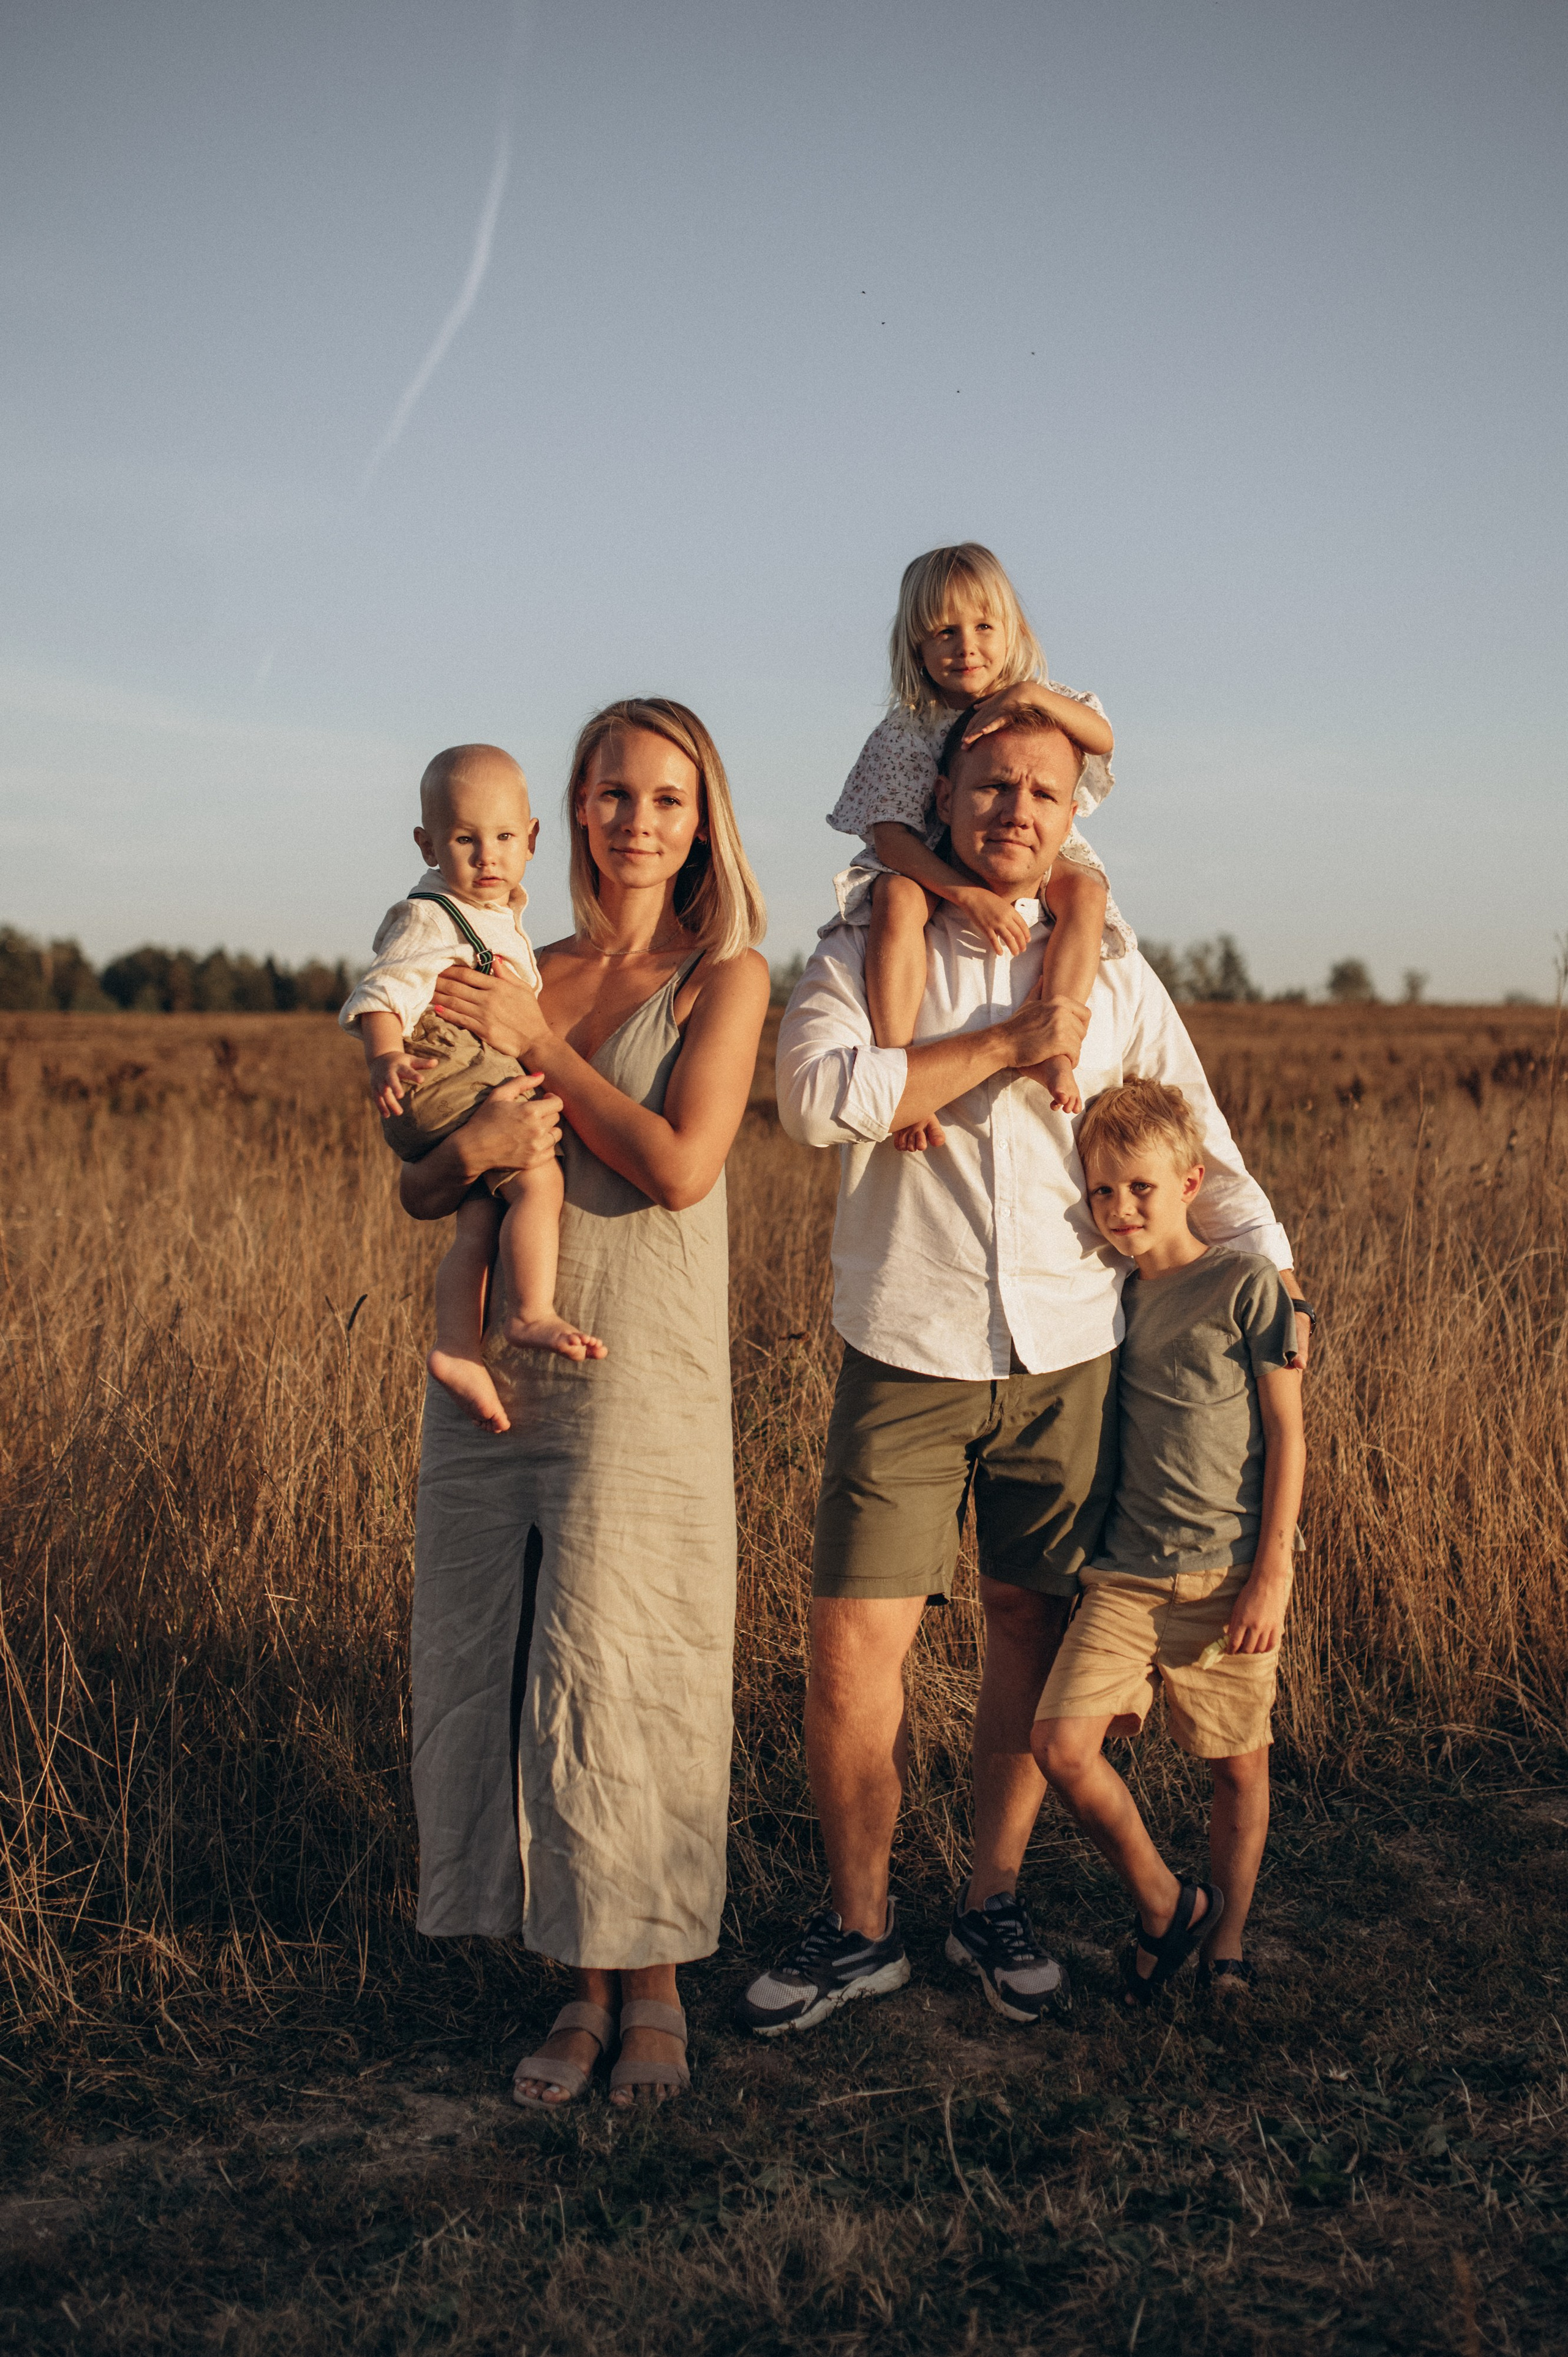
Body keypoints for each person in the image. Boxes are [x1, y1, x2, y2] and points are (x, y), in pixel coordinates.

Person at [737, 704, 1311, 2038]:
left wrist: (1271, 1270)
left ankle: (990, 1902)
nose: (1015, 809)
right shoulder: (863, 944)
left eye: (1043, 792)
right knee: (850, 1652)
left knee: (1026, 1629)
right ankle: (858, 1926)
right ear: (941, 796)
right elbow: (814, 1100)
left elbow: (1200, 1138)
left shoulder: (1111, 969)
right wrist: (1004, 1041)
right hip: (907, 1342)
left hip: (1072, 1352)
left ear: (1072, 816)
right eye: (991, 784)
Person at [398, 698, 769, 2107]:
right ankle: (575, 1980)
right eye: (614, 794)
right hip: (499, 1365)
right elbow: (421, 1177)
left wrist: (539, 1054)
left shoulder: (724, 976)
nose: (637, 822)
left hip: (638, 1361)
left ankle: (653, 1982)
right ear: (575, 808)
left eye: (667, 798)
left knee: (626, 1661)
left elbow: (679, 1165)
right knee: (508, 1664)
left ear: (701, 820)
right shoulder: (511, 966)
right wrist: (475, 1140)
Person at [1033, 1079, 1308, 2004]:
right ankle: (1167, 1903)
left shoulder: (1246, 1284)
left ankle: (1224, 1948)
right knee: (1061, 1745)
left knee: (1240, 1763)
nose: (1120, 1209)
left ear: (1191, 1184)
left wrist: (1272, 1573)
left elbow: (1288, 1433)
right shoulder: (1106, 1297)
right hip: (1126, 1578)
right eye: (1102, 1191)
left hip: (1230, 1575)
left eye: (1141, 1187)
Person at [340, 743, 604, 1440]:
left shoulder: (496, 915)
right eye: (465, 840)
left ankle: (457, 1347)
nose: (488, 857)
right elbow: (383, 990)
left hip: (451, 1080)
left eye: (504, 838)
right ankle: (529, 1312)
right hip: (443, 1073)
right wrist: (384, 1057)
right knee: (539, 1181)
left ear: (532, 839)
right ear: (428, 845)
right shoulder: (431, 914)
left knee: (479, 1219)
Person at [825, 541, 1133, 1119]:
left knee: (1088, 891)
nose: (967, 646)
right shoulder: (907, 730)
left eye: (984, 626)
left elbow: (1103, 737)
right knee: (896, 898)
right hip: (929, 860)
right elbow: (890, 837)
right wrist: (967, 896)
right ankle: (903, 1063)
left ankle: (1056, 1036)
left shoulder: (1042, 702)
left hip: (1028, 851)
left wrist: (1029, 695)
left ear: (1013, 631)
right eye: (945, 632)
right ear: (916, 646)